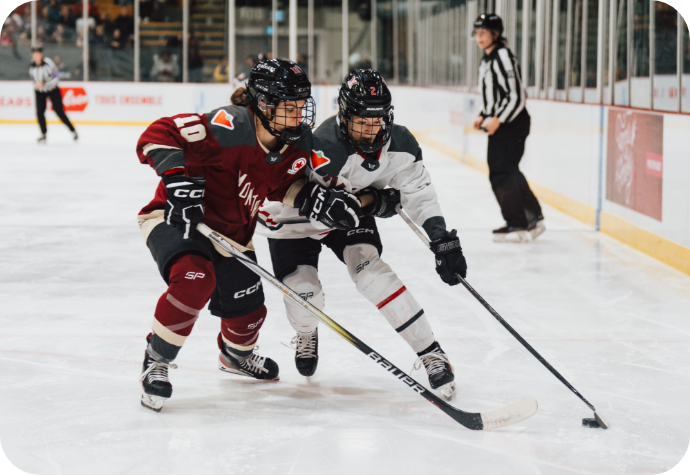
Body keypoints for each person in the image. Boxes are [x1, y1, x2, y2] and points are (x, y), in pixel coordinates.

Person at [136, 59, 361, 412]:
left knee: (250, 313)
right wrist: (177, 178)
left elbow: (281, 184)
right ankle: (156, 360)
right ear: (264, 105)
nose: (299, 114)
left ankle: (235, 357)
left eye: (302, 105)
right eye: (290, 106)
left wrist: (312, 200)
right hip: (180, 220)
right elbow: (158, 133)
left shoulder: (296, 142)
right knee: (195, 280)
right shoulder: (230, 125)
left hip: (233, 236)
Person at [257, 70, 467, 401]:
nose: (371, 131)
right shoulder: (322, 144)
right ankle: (307, 331)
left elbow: (418, 194)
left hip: (347, 217)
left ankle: (430, 352)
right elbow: (288, 190)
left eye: (378, 121)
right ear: (344, 116)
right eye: (362, 122)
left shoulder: (402, 145)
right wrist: (378, 200)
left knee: (371, 274)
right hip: (297, 221)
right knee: (307, 296)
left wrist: (441, 239)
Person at [472, 14, 544, 243]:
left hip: (513, 124)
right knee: (507, 170)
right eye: (477, 33)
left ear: (495, 34)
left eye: (483, 32)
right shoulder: (487, 59)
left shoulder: (502, 56)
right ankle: (532, 217)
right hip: (504, 124)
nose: (479, 37)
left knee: (502, 172)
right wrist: (484, 114)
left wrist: (498, 119)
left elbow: (517, 95)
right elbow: (495, 95)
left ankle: (518, 223)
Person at [29, 47, 78, 143]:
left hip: (53, 90)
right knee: (39, 112)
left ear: (41, 54)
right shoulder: (31, 66)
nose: (36, 56)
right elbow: (33, 79)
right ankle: (43, 134)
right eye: (34, 54)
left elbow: (56, 77)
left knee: (59, 111)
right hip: (40, 92)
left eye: (38, 54)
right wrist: (36, 85)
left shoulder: (48, 63)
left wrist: (44, 83)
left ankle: (72, 130)